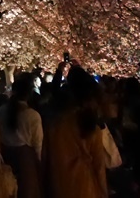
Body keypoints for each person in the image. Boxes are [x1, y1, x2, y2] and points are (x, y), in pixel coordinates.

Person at [43, 68, 108, 198]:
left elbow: (46, 161)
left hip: (59, 186)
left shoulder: (53, 125)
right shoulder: (90, 127)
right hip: (86, 187)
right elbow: (99, 168)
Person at [0, 75, 42, 198]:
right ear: (29, 93)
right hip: (26, 160)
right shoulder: (32, 115)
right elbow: (38, 144)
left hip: (6, 157)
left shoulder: (2, 111)